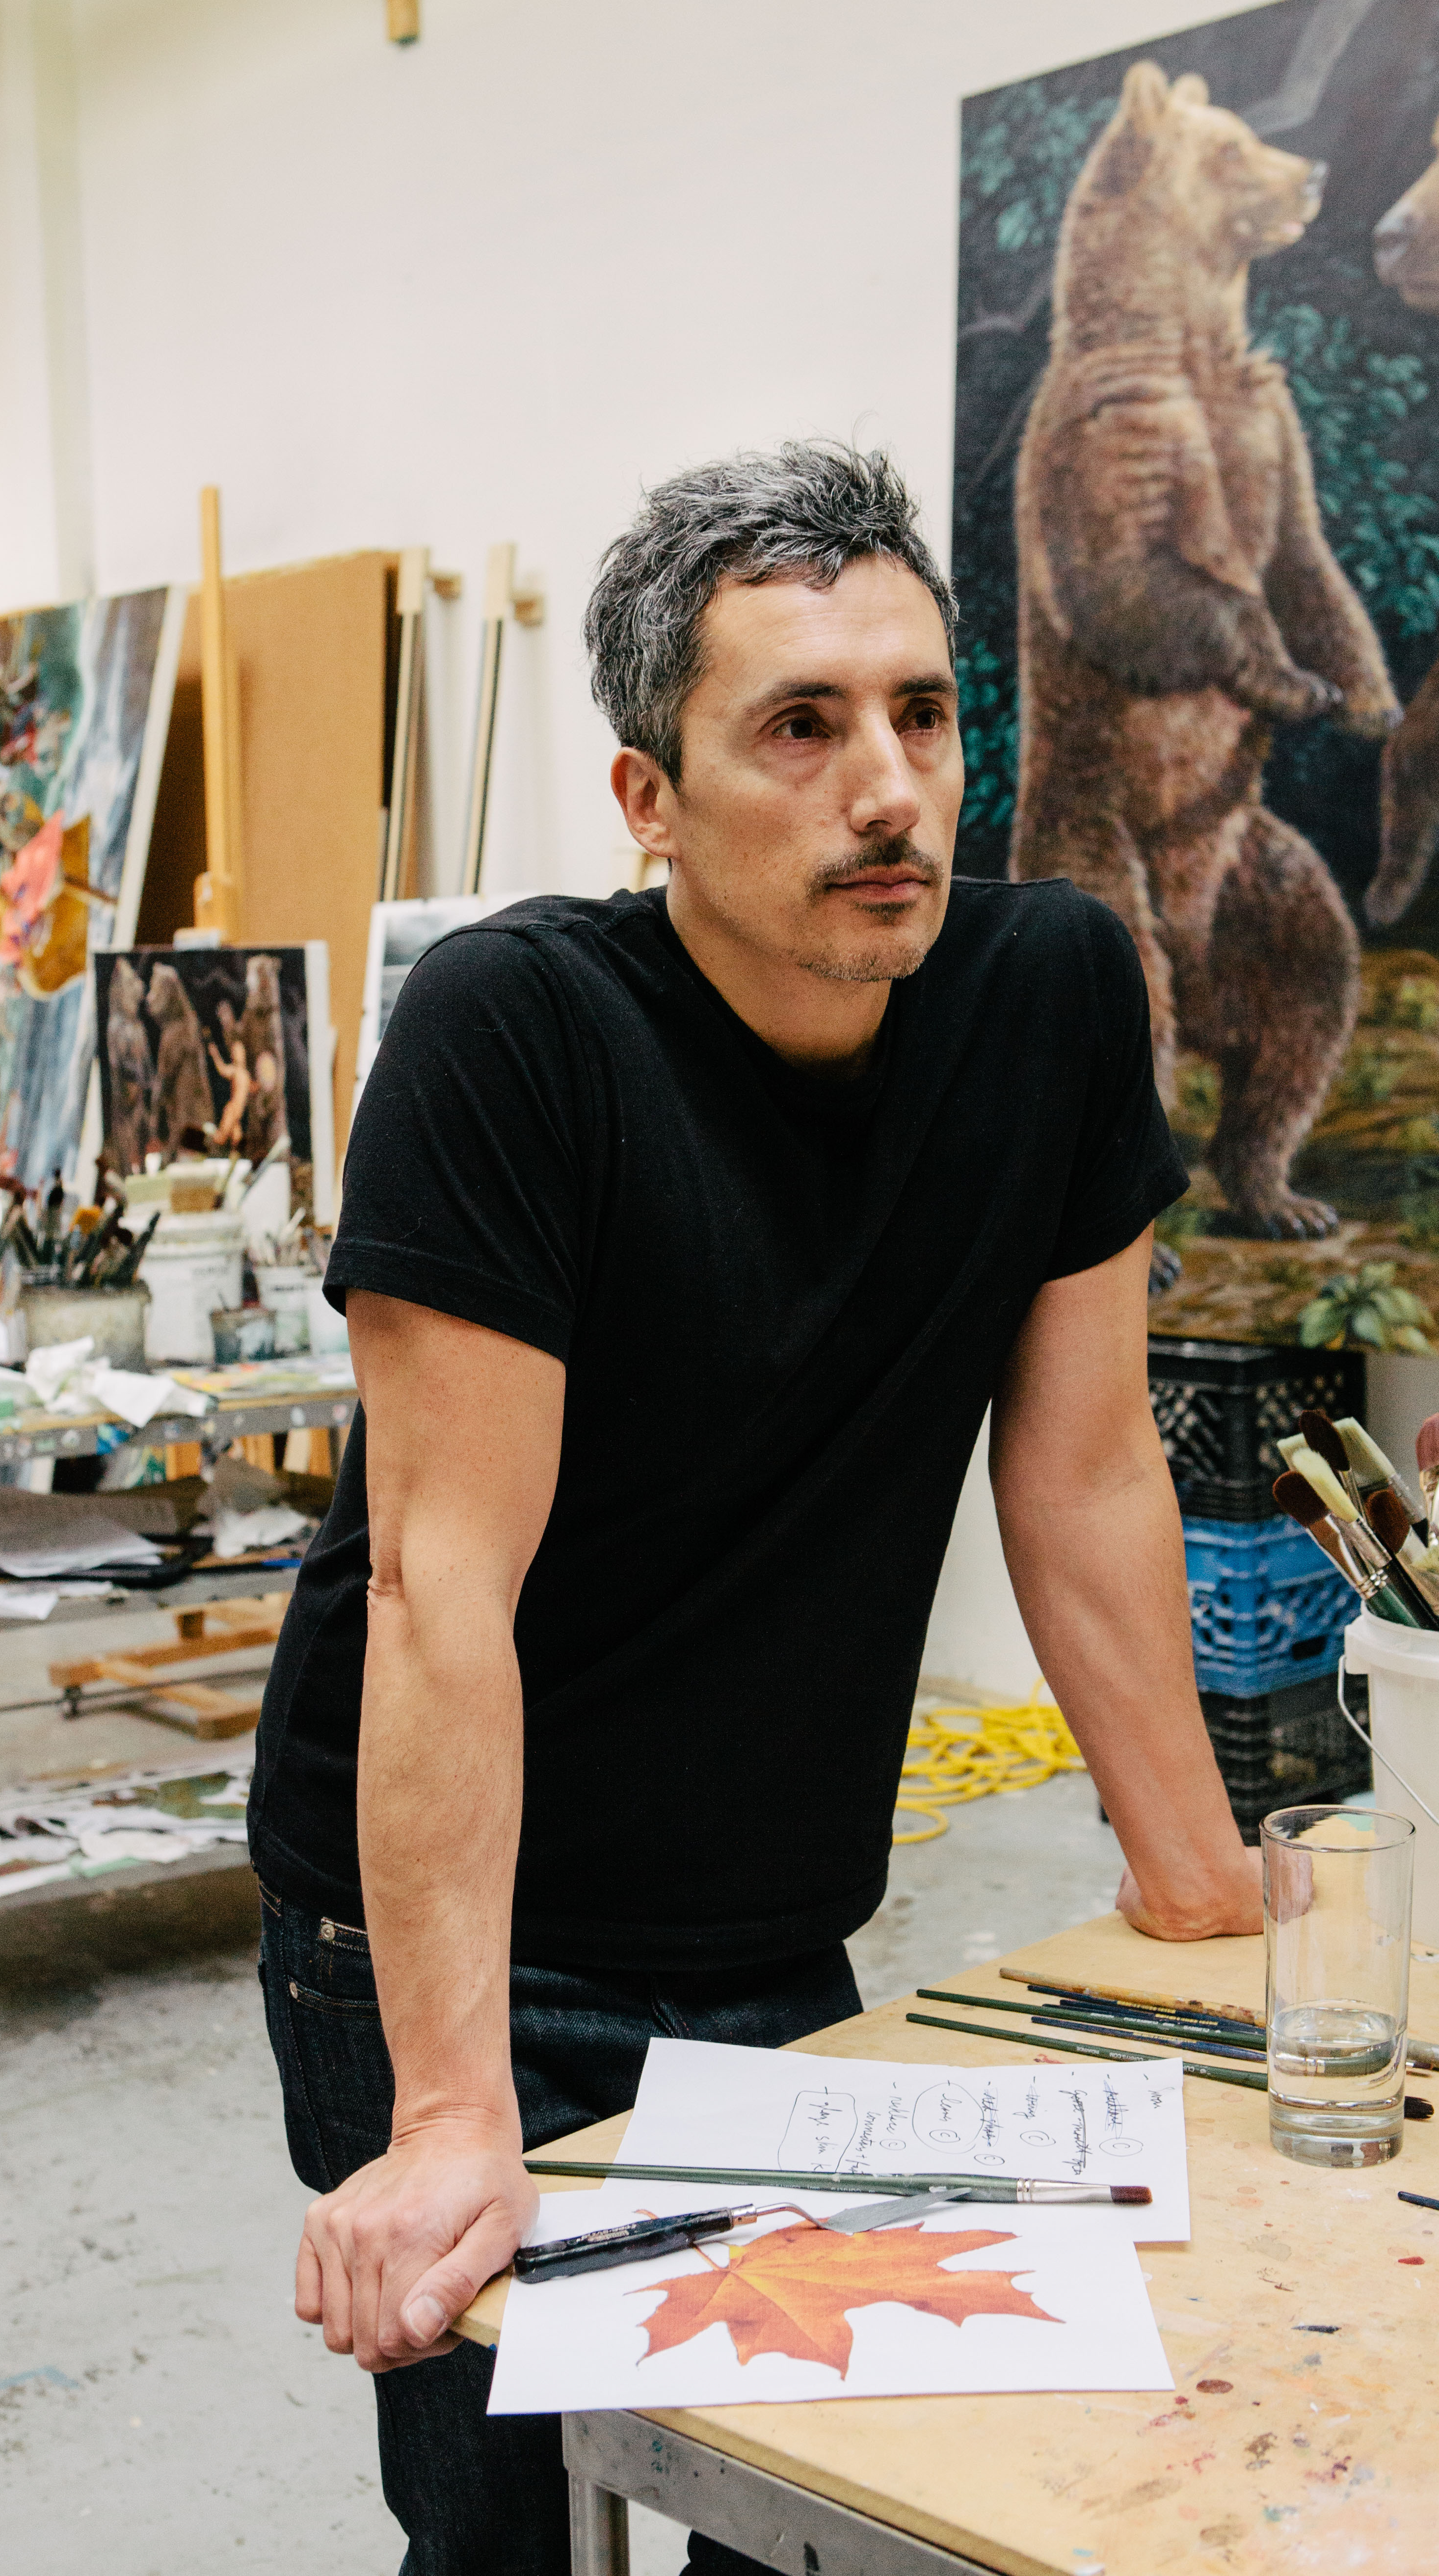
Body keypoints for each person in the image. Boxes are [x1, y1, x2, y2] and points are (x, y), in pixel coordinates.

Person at [247, 442, 1262, 2576]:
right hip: (454, 1930)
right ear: (648, 799)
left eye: (922, 714)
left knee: (813, 2511)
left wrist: (1204, 1896)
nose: (886, 787)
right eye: (799, 728)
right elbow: (446, 1589)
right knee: (518, 2531)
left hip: (777, 1920)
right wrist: (451, 2117)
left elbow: (1079, 1476)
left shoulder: (1051, 996)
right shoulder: (514, 1033)